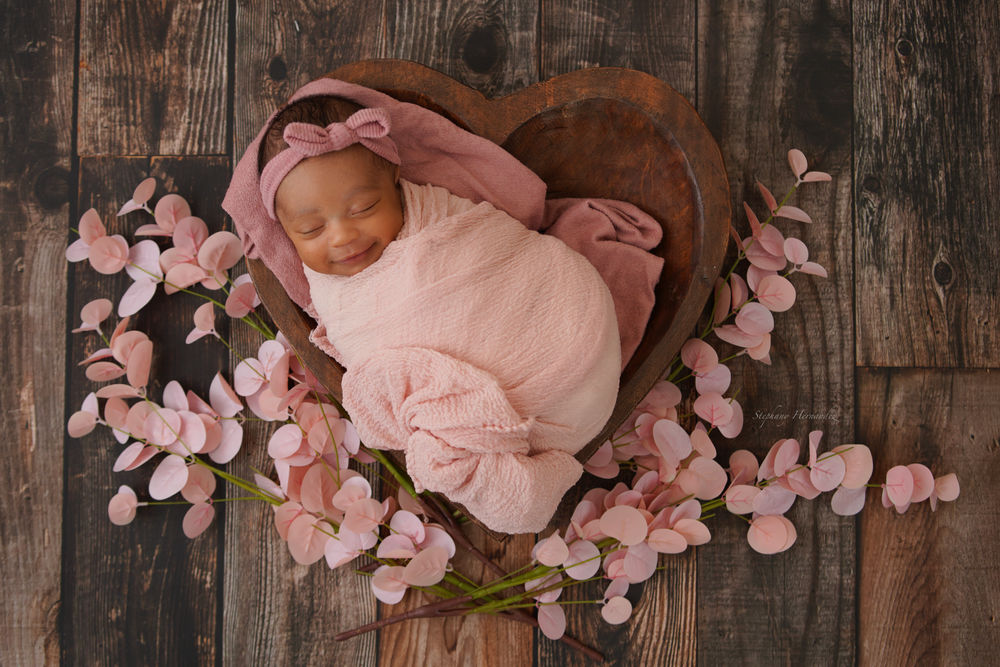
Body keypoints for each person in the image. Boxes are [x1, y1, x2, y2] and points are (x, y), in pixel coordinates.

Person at [257, 94, 621, 533]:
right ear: (284, 229)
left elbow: (500, 253)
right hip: (547, 412)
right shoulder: (336, 294)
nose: (343, 236)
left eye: (363, 209)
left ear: (395, 179)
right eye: (312, 229)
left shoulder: (438, 213)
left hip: (573, 318)